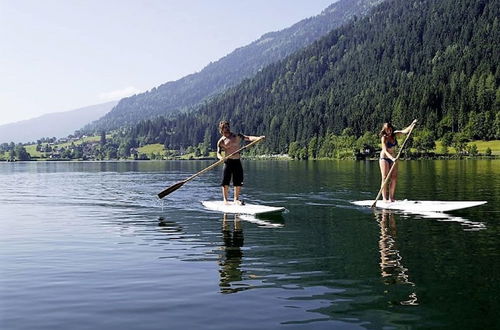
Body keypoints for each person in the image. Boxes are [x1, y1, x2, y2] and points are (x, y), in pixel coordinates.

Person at [216, 121, 264, 204]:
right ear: (221, 130)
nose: (227, 129)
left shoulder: (236, 136)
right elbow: (218, 153)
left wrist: (258, 138)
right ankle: (225, 200)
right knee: (225, 181)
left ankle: (236, 199)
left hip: (237, 161)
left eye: (227, 127)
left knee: (238, 180)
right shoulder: (221, 141)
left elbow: (248, 138)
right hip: (228, 162)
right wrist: (221, 158)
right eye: (225, 128)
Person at [379, 119, 417, 202]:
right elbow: (385, 150)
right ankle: (384, 198)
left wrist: (412, 124)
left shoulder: (395, 134)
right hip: (385, 158)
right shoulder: (384, 138)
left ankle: (391, 198)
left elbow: (405, 131)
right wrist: (392, 158)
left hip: (394, 158)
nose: (389, 131)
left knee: (394, 177)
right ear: (384, 130)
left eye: (390, 129)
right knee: (385, 177)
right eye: (387, 130)